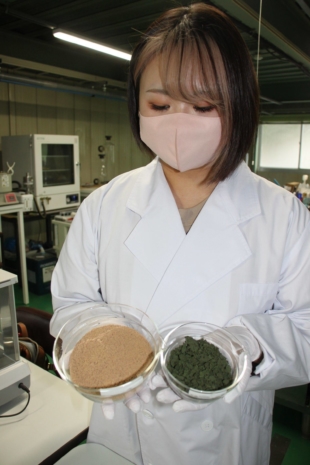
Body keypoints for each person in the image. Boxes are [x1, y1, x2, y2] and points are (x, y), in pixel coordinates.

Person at [50, 3, 310, 465]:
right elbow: (72, 304)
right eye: (160, 104)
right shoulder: (105, 206)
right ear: (137, 104)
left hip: (225, 440)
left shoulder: (283, 217)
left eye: (204, 105)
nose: (178, 122)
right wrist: (103, 347)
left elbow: (307, 330)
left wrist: (247, 350)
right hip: (121, 430)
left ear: (238, 105)